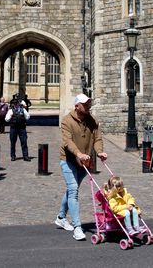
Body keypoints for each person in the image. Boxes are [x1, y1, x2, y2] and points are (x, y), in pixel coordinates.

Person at [55, 93, 108, 241]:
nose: (88, 106)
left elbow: (97, 138)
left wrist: (100, 152)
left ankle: (60, 217)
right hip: (69, 160)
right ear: (77, 106)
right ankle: (77, 227)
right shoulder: (67, 121)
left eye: (89, 103)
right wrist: (78, 153)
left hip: (85, 162)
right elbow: (68, 142)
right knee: (73, 190)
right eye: (85, 104)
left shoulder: (93, 121)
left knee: (72, 190)